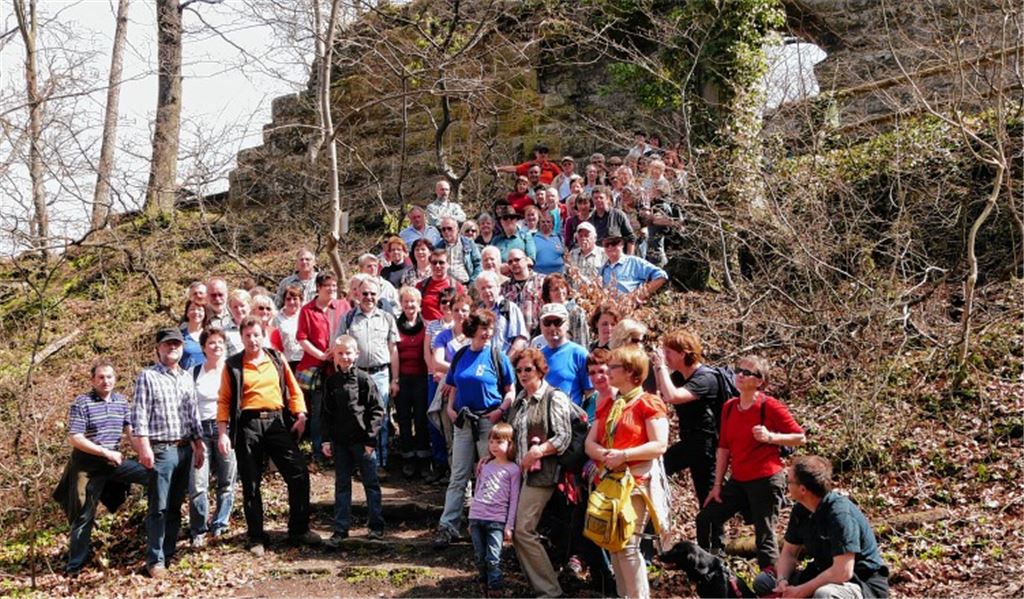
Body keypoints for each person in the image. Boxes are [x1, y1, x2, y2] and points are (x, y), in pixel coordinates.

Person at [217, 317, 320, 555]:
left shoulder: (276, 358)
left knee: (298, 473)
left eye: (256, 335)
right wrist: (223, 432)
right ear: (241, 338)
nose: (252, 340)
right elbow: (224, 400)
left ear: (263, 335)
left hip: (276, 422)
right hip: (248, 425)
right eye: (247, 336)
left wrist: (301, 415)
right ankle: (256, 537)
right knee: (252, 482)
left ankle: (299, 530)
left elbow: (293, 389)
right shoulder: (233, 365)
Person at [696, 355, 805, 571]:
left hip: (766, 479)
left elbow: (800, 437)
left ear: (760, 381)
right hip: (738, 480)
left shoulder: (769, 406)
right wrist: (717, 486)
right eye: (738, 370)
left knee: (764, 538)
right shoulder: (729, 407)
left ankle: (772, 586)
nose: (740, 375)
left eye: (747, 373)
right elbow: (724, 448)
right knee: (706, 519)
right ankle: (708, 571)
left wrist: (771, 437)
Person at [584, 344, 669, 599]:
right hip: (610, 482)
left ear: (631, 371)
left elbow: (659, 445)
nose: (607, 372)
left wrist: (624, 455)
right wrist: (606, 456)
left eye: (614, 367)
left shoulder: (648, 402)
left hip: (637, 484)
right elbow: (590, 443)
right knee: (614, 545)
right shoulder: (611, 404)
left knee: (628, 546)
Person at [57, 358, 148, 577]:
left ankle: (155, 539)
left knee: (154, 476)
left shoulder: (121, 402)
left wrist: (145, 453)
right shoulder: (82, 402)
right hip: (87, 464)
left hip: (114, 462)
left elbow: (131, 432)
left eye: (109, 377)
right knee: (83, 514)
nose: (105, 381)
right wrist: (104, 452)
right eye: (100, 377)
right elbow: (75, 438)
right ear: (92, 380)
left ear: (115, 379)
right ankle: (75, 566)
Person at [752, 456, 890, 599]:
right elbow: (789, 553)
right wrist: (782, 580)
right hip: (822, 573)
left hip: (860, 583)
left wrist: (801, 591)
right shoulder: (801, 510)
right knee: (765, 582)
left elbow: (843, 571)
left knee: (825, 594)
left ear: (803, 489)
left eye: (789, 481)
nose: (786, 485)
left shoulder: (840, 515)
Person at [433, 309, 514, 548]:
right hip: (464, 422)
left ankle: (487, 525)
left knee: (488, 475)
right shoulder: (460, 356)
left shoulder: (498, 356)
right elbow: (453, 384)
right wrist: (450, 407)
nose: (487, 332)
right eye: (483, 327)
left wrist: (501, 410)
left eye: (490, 328)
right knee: (458, 475)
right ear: (473, 329)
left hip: (489, 422)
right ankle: (448, 526)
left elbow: (510, 389)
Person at [131, 327, 205, 578]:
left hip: (184, 448)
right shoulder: (148, 376)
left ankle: (169, 553)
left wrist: (199, 444)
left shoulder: (186, 377)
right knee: (158, 507)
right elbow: (139, 415)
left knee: (175, 506)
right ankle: (155, 560)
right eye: (167, 344)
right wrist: (143, 447)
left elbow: (193, 414)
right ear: (158, 349)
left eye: (176, 343)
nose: (172, 347)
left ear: (182, 347)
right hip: (161, 450)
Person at [508, 347, 574, 599]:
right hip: (520, 475)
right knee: (518, 530)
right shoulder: (520, 401)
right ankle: (540, 587)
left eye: (528, 369)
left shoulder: (553, 397)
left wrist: (537, 452)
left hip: (543, 474)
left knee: (524, 529)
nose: (523, 374)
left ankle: (550, 591)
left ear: (540, 369)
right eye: (519, 370)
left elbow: (564, 436)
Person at [322, 335, 386, 545]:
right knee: (342, 485)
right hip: (340, 443)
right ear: (334, 356)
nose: (345, 357)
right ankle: (341, 529)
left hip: (362, 442)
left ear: (356, 354)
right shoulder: (331, 382)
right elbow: (326, 413)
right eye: (340, 353)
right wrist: (326, 440)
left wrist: (370, 441)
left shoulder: (363, 379)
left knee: (371, 483)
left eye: (349, 353)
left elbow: (377, 411)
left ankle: (376, 526)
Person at [651, 328, 722, 507]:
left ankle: (715, 531)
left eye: (668, 352)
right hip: (688, 441)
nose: (665, 357)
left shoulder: (705, 378)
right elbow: (662, 393)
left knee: (707, 494)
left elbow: (673, 396)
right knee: (660, 468)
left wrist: (661, 366)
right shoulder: (679, 377)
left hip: (705, 445)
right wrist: (657, 367)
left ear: (682, 354)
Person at [334, 278, 400, 470]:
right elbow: (338, 346)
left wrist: (395, 379)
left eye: (372, 293)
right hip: (356, 374)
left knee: (381, 419)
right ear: (357, 294)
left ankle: (380, 462)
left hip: (380, 373)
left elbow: (393, 350)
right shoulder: (348, 318)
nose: (368, 297)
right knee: (357, 418)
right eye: (365, 293)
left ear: (378, 295)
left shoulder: (387, 318)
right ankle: (361, 463)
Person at [188, 327, 237, 547]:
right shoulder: (194, 372)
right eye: (211, 343)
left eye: (219, 342)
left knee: (226, 480)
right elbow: (188, 406)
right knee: (198, 483)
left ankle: (220, 523)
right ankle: (198, 528)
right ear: (203, 348)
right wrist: (193, 436)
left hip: (225, 429)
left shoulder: (231, 370)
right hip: (200, 431)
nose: (216, 346)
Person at [295, 273, 348, 464]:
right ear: (318, 287)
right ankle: (319, 452)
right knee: (319, 410)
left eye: (334, 285)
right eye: (328, 286)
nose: (332, 289)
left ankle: (339, 450)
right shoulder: (307, 310)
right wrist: (321, 355)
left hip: (339, 366)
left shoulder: (342, 306)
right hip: (318, 368)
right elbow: (301, 338)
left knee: (340, 409)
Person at [468, 422, 520, 597]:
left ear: (510, 444)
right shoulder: (485, 465)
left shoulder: (513, 470)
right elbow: (478, 490)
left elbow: (514, 499)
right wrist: (471, 517)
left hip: (497, 520)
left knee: (493, 558)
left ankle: (495, 587)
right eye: (491, 442)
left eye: (499, 442)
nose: (494, 446)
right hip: (477, 517)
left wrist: (509, 525)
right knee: (479, 556)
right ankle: (483, 582)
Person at [427, 292, 473, 484]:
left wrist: (453, 372)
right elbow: (437, 362)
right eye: (456, 310)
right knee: (451, 437)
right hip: (448, 393)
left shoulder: (475, 335)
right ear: (450, 312)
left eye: (464, 310)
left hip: (471, 393)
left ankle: (473, 480)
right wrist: (461, 370)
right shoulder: (443, 336)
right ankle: (457, 481)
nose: (460, 314)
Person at [394, 286, 431, 479]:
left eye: (413, 301)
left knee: (421, 419)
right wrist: (395, 380)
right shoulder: (395, 326)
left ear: (419, 304)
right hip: (403, 378)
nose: (409, 305)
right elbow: (393, 353)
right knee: (404, 420)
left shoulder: (427, 326)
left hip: (421, 378)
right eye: (406, 301)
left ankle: (424, 458)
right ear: (401, 304)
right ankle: (408, 457)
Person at [536, 303, 592, 411]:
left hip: (569, 421)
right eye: (547, 323)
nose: (552, 327)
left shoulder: (579, 354)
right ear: (541, 326)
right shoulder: (537, 356)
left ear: (567, 325)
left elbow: (590, 394)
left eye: (557, 322)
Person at [599, 235, 668, 303]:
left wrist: (640, 296)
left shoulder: (634, 261)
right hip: (609, 310)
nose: (610, 247)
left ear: (622, 244)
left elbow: (661, 276)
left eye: (614, 243)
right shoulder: (603, 268)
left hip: (630, 309)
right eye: (606, 244)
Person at [475, 271, 527, 352]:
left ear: (498, 287)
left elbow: (520, 340)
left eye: (489, 287)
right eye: (482, 288)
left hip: (503, 360)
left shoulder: (509, 308)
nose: (486, 291)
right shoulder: (478, 312)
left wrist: (506, 362)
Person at [502, 248, 546, 336]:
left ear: (526, 260)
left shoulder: (542, 280)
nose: (514, 263)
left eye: (517, 260)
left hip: (539, 333)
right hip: (515, 335)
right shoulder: (504, 287)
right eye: (510, 262)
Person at [539, 274, 589, 349]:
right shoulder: (545, 312)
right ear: (548, 294)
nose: (560, 291)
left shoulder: (575, 312)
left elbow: (581, 340)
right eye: (555, 289)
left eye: (562, 288)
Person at [418, 249, 466, 321]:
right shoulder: (421, 286)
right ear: (430, 265)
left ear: (448, 264)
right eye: (434, 263)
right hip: (427, 328)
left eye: (441, 262)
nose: (437, 266)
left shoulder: (457, 287)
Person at [436, 215, 482, 284]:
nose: (446, 231)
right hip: (445, 285)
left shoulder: (468, 243)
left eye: (449, 228)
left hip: (465, 284)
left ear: (457, 229)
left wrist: (472, 283)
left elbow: (479, 264)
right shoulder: (438, 246)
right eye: (443, 229)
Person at [589, 186, 636, 253]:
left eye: (601, 198)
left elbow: (630, 237)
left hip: (617, 256)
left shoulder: (618, 215)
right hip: (598, 258)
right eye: (596, 198)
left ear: (608, 199)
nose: (598, 200)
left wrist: (629, 258)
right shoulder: (591, 220)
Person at [272, 284, 305, 372]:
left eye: (295, 299)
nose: (291, 302)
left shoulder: (305, 315)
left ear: (301, 300)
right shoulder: (277, 318)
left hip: (304, 360)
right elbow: (274, 342)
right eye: (288, 299)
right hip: (286, 361)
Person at [494, 142, 561, 185]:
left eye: (545, 152)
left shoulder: (551, 166)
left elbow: (561, 176)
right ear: (536, 153)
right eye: (541, 152)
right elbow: (515, 168)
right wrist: (499, 169)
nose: (543, 154)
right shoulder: (530, 165)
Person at [532, 210, 565, 275]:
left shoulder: (559, 238)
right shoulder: (532, 238)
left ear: (552, 224)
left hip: (558, 275)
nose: (545, 224)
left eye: (548, 222)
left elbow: (565, 256)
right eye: (543, 222)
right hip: (539, 275)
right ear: (539, 223)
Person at [223, 289, 253, 356]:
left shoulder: (258, 327)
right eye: (235, 307)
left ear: (250, 306)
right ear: (230, 308)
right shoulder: (224, 332)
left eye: (242, 305)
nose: (239, 309)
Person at [180, 300, 208, 369]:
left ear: (205, 313)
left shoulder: (210, 335)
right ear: (187, 313)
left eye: (200, 310)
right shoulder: (180, 336)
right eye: (192, 309)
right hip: (187, 377)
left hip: (208, 377)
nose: (196, 312)